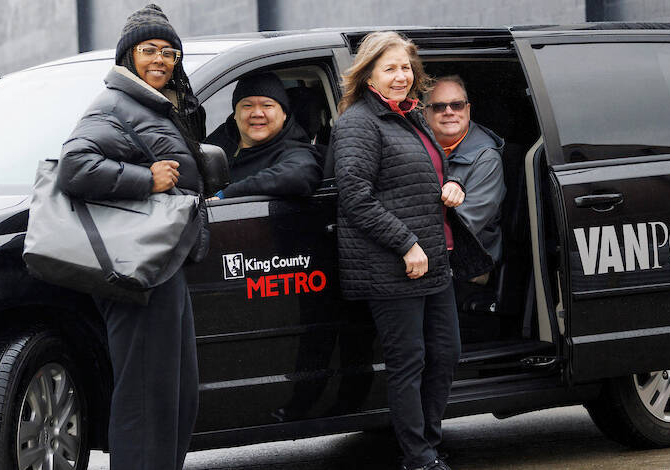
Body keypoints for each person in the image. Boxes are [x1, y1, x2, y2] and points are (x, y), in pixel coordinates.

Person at [57, 4, 204, 470]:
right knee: (146, 395)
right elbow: (75, 166)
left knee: (173, 393)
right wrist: (147, 180)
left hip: (163, 264)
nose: (161, 59)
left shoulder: (155, 105)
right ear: (127, 56)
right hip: (135, 269)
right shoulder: (114, 106)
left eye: (169, 51)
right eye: (149, 50)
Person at [332, 31, 488, 470]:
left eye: (405, 67)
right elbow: (356, 196)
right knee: (409, 362)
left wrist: (450, 184)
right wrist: (406, 244)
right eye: (390, 68)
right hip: (392, 265)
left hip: (433, 261)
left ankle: (428, 445)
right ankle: (419, 458)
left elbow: (419, 176)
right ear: (369, 76)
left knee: (446, 354)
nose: (401, 76)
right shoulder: (358, 123)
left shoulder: (412, 116)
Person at [425, 76, 505, 282]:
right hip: (429, 258)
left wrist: (404, 244)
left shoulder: (486, 157)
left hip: (467, 267)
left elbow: (464, 226)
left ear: (468, 110)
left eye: (457, 105)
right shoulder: (418, 147)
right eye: (439, 106)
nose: (449, 112)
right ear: (424, 113)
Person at [205, 72, 322, 198]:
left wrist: (226, 195)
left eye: (267, 105)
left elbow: (300, 174)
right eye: (247, 105)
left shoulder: (294, 150)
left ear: (284, 114)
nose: (257, 113)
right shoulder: (221, 138)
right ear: (235, 114)